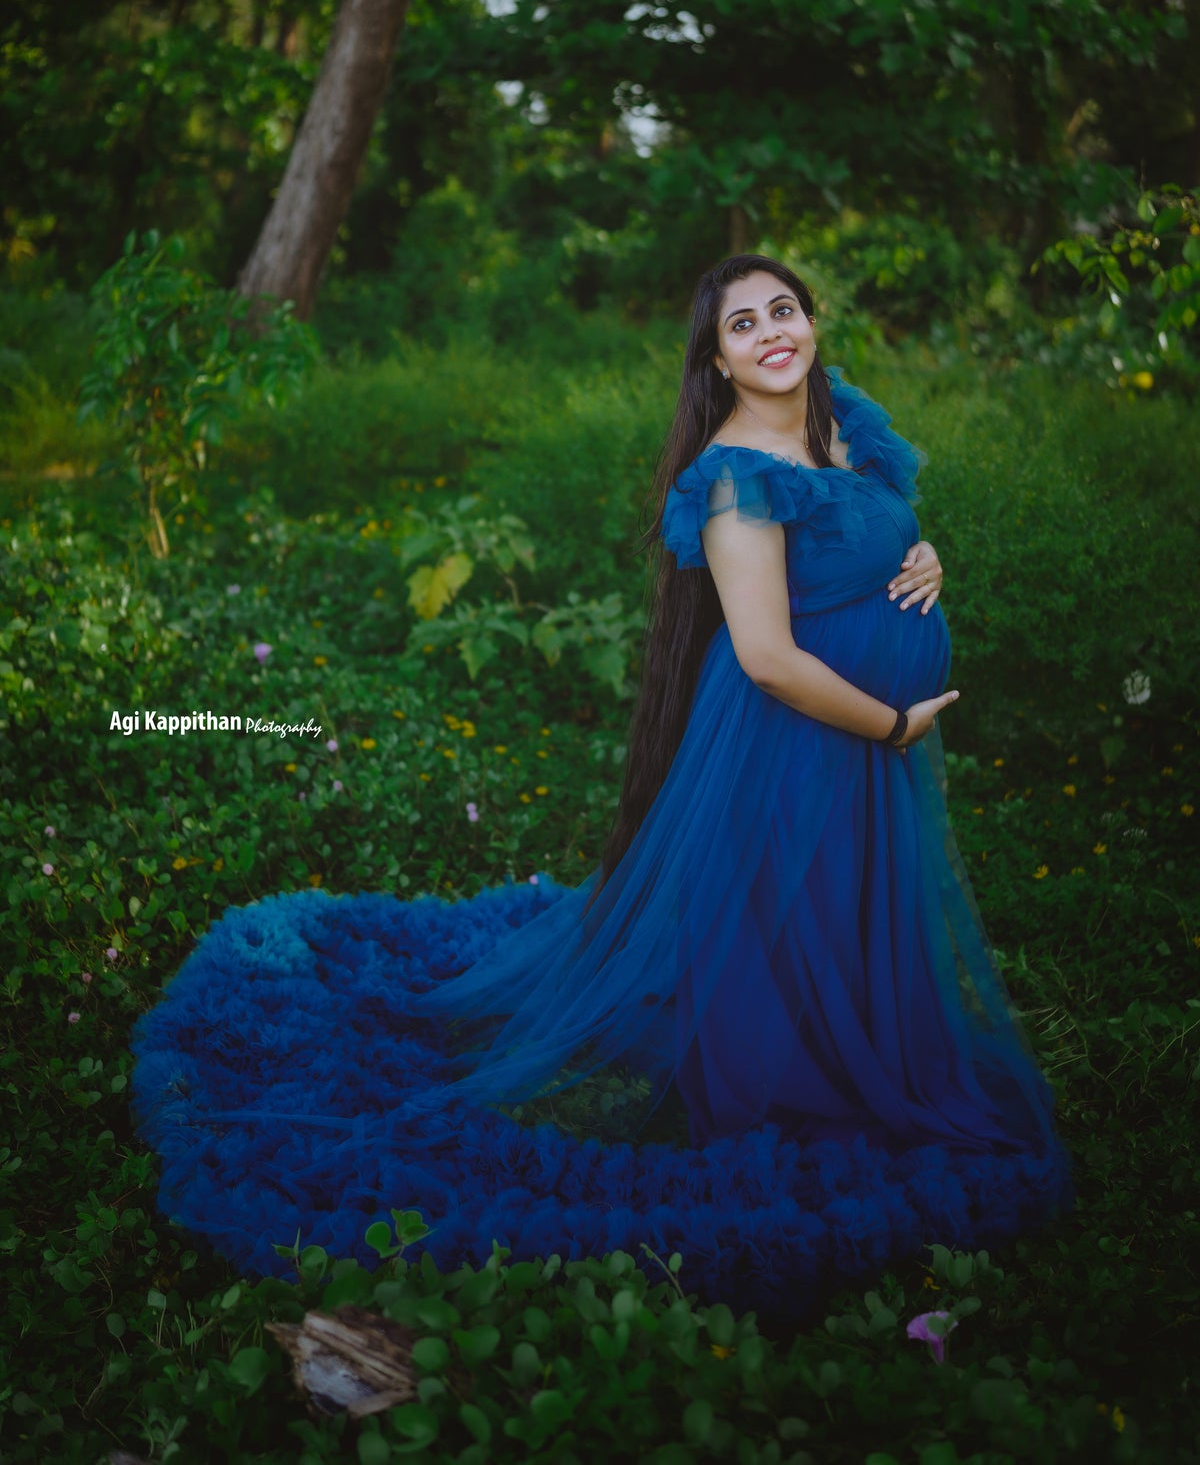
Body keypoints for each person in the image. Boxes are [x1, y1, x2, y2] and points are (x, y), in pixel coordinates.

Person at [132, 253, 1073, 1318]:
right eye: (742, 324)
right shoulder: (733, 478)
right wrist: (895, 720)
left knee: (847, 910)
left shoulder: (846, 423)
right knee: (782, 917)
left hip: (859, 742)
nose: (772, 331)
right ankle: (788, 1064)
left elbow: (882, 527)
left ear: (812, 322)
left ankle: (848, 1032)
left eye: (785, 309)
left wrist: (928, 556)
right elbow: (765, 655)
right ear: (715, 363)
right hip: (802, 735)